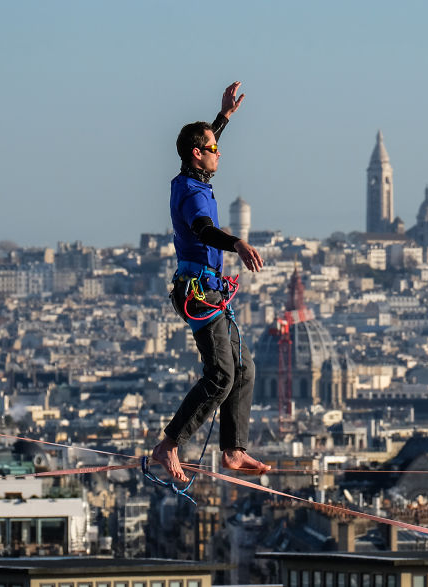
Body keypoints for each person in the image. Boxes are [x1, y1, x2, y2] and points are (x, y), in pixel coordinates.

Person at [151, 81, 268, 483]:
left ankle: (234, 449)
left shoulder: (189, 179)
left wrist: (222, 119)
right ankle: (169, 444)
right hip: (199, 295)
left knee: (244, 368)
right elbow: (203, 229)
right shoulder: (194, 196)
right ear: (198, 154)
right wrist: (236, 242)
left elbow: (201, 145)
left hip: (209, 290)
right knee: (221, 374)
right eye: (213, 148)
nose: (219, 152)